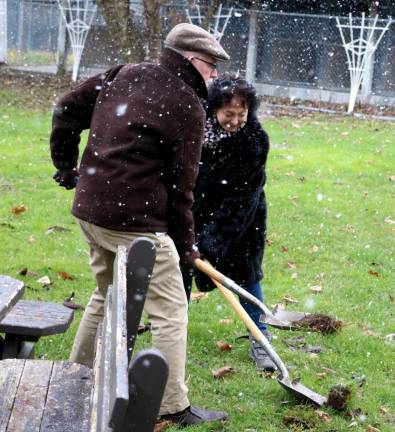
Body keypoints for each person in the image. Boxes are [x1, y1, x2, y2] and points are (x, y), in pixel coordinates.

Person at [50, 23, 230, 427]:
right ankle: (171, 404)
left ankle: (76, 376)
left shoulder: (122, 73)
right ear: (190, 60)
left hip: (91, 212)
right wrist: (186, 248)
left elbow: (65, 108)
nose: (215, 75)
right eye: (211, 65)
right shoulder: (187, 105)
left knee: (106, 295)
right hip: (134, 224)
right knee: (169, 310)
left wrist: (65, 164)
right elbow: (183, 190)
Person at [182, 74, 276, 371]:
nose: (235, 121)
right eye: (228, 114)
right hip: (194, 213)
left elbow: (240, 200)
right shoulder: (195, 129)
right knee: (179, 272)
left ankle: (261, 339)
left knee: (247, 276)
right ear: (213, 109)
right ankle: (172, 333)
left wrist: (210, 243)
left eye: (242, 114)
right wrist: (191, 231)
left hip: (242, 221)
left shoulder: (254, 141)